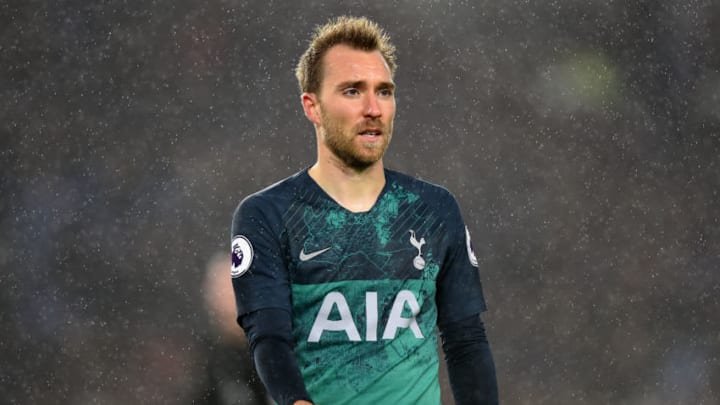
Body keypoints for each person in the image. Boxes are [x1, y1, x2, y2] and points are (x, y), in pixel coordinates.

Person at [230, 16, 498, 405]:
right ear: (313, 106)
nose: (373, 108)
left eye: (384, 91)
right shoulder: (268, 215)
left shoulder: (434, 210)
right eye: (353, 91)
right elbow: (270, 338)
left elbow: (466, 340)